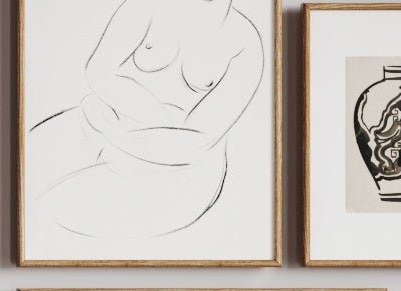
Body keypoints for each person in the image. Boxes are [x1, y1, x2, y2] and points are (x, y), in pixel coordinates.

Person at [28, 0, 265, 241]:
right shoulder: (145, 6)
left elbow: (201, 137)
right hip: (95, 126)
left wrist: (123, 132)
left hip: (173, 171)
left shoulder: (244, 41)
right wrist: (155, 117)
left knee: (52, 213)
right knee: (20, 168)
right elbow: (99, 71)